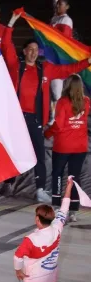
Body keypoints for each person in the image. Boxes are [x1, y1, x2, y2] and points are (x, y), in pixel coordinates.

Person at [2, 13, 91, 202]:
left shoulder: (46, 69)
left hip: (35, 118)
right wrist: (11, 22)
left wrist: (87, 63)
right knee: (12, 152)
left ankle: (40, 189)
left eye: (36, 49)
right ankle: (8, 183)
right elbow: (6, 45)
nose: (33, 52)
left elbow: (67, 70)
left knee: (39, 155)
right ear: (24, 51)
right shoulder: (15, 66)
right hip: (16, 118)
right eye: (30, 49)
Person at [45, 74, 89, 222]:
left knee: (57, 174)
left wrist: (47, 133)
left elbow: (58, 125)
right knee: (74, 177)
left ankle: (57, 206)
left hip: (63, 146)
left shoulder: (62, 102)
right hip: (80, 147)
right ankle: (73, 211)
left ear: (67, 86)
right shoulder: (87, 102)